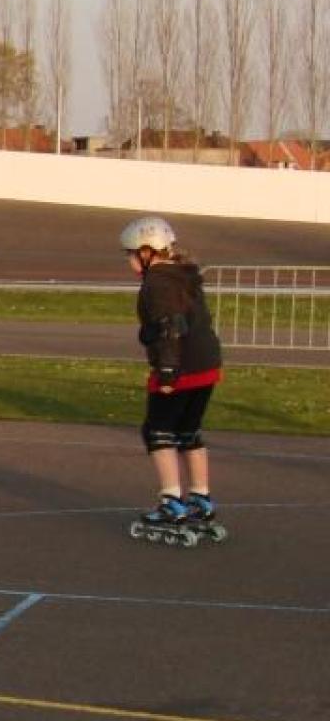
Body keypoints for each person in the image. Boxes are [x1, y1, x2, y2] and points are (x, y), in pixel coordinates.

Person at [121, 215, 226, 545]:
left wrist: (167, 370)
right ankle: (201, 499)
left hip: (181, 365)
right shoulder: (185, 274)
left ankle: (171, 503)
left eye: (131, 253)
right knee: (188, 432)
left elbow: (170, 326)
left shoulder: (158, 282)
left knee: (158, 432)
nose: (129, 260)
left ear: (147, 251)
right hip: (206, 364)